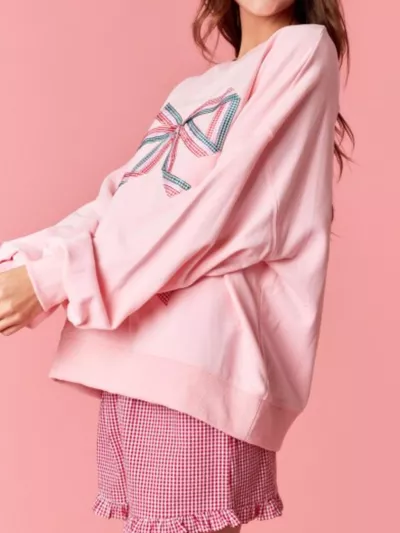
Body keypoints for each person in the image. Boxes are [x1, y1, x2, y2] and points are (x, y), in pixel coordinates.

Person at [0, 1, 353, 532]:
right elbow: (118, 205)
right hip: (139, 362)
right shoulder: (193, 91)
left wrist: (54, 279)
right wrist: (24, 261)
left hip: (203, 367)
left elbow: (216, 212)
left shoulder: (303, 52)